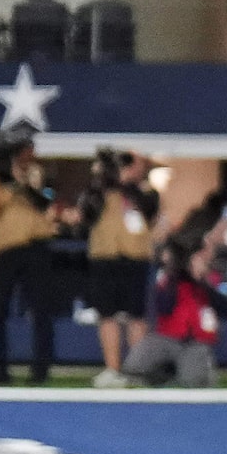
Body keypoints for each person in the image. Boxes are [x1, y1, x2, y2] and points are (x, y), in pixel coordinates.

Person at [0, 131, 58, 385]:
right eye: (26, 149)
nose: (30, 153)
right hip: (5, 248)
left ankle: (40, 370)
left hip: (35, 246)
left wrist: (22, 183)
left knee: (40, 309)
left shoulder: (38, 173)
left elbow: (46, 200)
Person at [84, 152, 159, 390]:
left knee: (136, 316)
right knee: (107, 314)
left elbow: (149, 209)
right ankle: (112, 369)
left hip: (135, 258)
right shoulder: (100, 190)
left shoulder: (146, 191)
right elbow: (87, 213)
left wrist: (125, 181)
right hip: (105, 257)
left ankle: (136, 369)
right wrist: (102, 180)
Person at [127, 241, 227, 388]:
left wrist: (203, 282)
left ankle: (175, 375)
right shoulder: (172, 281)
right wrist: (179, 274)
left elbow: (226, 308)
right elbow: (163, 305)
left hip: (195, 343)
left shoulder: (209, 284)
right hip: (167, 337)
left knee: (195, 382)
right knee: (135, 366)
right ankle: (162, 375)